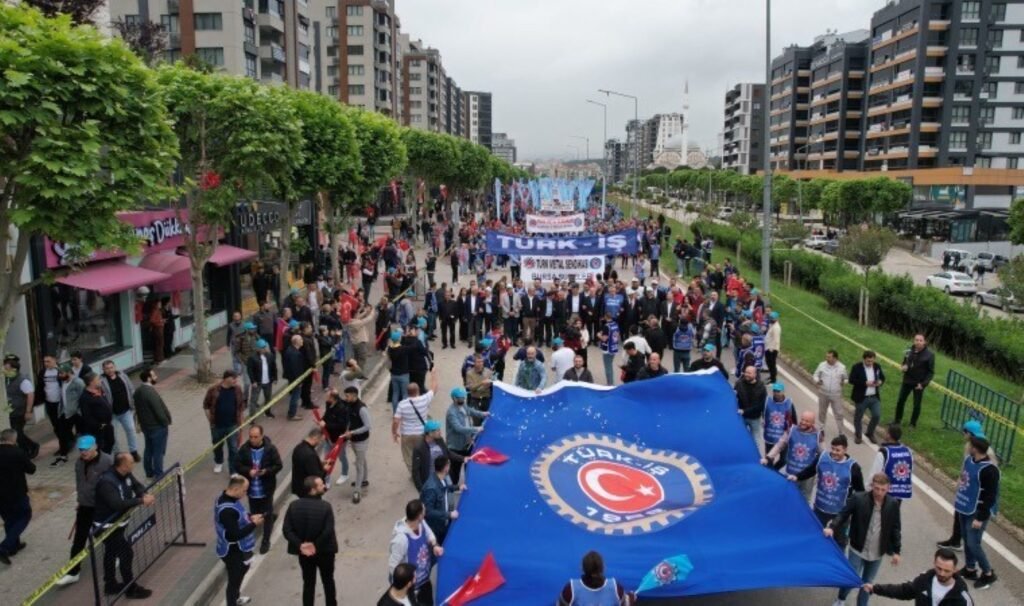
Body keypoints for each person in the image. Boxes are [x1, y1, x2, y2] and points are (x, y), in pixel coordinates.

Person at [825, 473, 902, 606]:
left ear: (888, 488)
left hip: (877, 552)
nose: (879, 493)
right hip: (857, 549)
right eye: (877, 488)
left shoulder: (893, 504)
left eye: (883, 490)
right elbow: (843, 514)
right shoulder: (858, 498)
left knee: (868, 583)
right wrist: (832, 527)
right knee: (851, 578)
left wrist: (897, 551)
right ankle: (841, 599)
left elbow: (896, 528)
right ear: (872, 486)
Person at [93, 452, 155, 598]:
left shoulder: (126, 474)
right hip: (107, 527)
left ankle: (110, 585)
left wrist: (143, 494)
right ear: (123, 465)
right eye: (131, 462)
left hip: (118, 524)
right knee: (126, 553)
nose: (133, 464)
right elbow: (117, 504)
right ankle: (131, 589)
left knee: (111, 553)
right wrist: (140, 501)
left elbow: (137, 485)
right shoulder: (107, 482)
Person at [283, 476, 338, 606]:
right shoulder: (325, 507)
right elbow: (328, 531)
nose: (324, 486)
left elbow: (287, 530)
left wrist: (301, 545)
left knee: (308, 583)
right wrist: (314, 545)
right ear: (313, 490)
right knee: (328, 581)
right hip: (325, 551)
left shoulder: (294, 506)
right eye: (321, 485)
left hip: (304, 554)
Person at [954, 436, 1000, 589]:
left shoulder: (990, 470)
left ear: (975, 448)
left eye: (970, 445)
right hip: (964, 507)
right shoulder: (969, 460)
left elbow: (990, 496)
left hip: (977, 512)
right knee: (967, 539)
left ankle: (988, 574)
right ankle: (970, 569)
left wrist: (980, 517)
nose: (967, 446)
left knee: (974, 543)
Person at [794, 435, 865, 529]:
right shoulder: (822, 458)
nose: (834, 452)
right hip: (819, 509)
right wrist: (796, 477)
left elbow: (860, 492)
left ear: (845, 450)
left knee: (836, 538)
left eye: (838, 450)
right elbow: (810, 470)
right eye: (832, 449)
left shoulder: (853, 468)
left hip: (839, 515)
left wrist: (853, 510)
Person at [937, 421, 988, 552]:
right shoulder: (971, 445)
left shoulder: (977, 448)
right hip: (967, 483)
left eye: (964, 432)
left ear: (970, 433)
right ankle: (956, 539)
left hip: (974, 487)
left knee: (965, 514)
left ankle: (966, 544)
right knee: (959, 512)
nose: (963, 434)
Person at [215, 474, 263, 606]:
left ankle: (236, 598)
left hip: (239, 548)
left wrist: (250, 517)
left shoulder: (226, 498)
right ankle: (232, 602)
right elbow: (235, 535)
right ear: (235, 489)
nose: (246, 493)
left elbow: (240, 515)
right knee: (234, 581)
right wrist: (254, 524)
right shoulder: (227, 511)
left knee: (242, 571)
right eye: (244, 490)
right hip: (233, 550)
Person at [865, 548, 974, 605]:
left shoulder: (962, 598)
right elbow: (904, 591)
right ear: (934, 564)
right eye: (939, 568)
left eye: (947, 571)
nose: (942, 573)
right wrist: (875, 589)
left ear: (955, 570)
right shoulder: (924, 580)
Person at [235, 424, 282, 555]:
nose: (253, 440)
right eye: (251, 437)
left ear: (262, 436)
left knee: (266, 515)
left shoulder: (270, 449)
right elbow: (237, 465)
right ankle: (251, 541)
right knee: (255, 515)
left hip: (266, 489)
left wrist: (266, 471)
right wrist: (248, 471)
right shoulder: (244, 449)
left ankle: (266, 540)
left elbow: (278, 465)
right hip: (252, 490)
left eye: (256, 437)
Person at [388, 500, 443, 606]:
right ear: (419, 516)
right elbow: (393, 567)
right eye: (424, 510)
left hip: (424, 580)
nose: (425, 511)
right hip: (412, 588)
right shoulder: (401, 539)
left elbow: (429, 534)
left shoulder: (421, 523)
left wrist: (434, 545)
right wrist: (405, 587)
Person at [763, 411, 823, 502]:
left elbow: (822, 456)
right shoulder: (791, 430)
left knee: (805, 500)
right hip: (791, 473)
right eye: (802, 419)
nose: (803, 422)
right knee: (788, 497)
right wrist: (768, 457)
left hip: (807, 477)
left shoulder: (818, 436)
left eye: (807, 421)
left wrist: (819, 474)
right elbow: (779, 445)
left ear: (812, 423)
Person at [0, 428, 35, 566]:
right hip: (16, 493)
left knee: (9, 519)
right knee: (25, 515)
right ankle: (4, 547)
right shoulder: (17, 452)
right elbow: (31, 469)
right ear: (13, 439)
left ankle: (14, 546)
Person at [204, 370, 246, 474]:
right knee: (217, 446)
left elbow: (241, 407)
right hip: (217, 426)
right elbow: (206, 405)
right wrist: (210, 420)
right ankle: (218, 462)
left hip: (233, 425)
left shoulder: (237, 389)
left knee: (233, 448)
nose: (236, 381)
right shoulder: (213, 389)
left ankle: (233, 470)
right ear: (226, 378)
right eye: (234, 378)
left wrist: (241, 422)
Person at [133, 367, 172, 480]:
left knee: (148, 450)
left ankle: (149, 472)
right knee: (158, 452)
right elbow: (158, 410)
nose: (156, 377)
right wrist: (166, 422)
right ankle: (159, 475)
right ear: (149, 378)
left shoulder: (138, 391)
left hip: (146, 426)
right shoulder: (150, 392)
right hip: (157, 427)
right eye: (154, 375)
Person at [557, 550, 635, 606]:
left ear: (582, 568)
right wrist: (631, 598)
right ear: (603, 568)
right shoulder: (616, 588)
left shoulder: (570, 589)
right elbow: (626, 603)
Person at [393, 376, 438, 472]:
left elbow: (396, 421)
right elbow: (434, 388)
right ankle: (422, 471)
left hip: (407, 434)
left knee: (408, 455)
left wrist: (394, 433)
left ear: (407, 392)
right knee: (422, 453)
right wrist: (434, 374)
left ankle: (413, 473)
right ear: (418, 391)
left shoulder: (402, 404)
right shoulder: (424, 399)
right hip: (421, 433)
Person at [100, 360, 140, 460]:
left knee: (131, 430)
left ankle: (134, 451)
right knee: (113, 435)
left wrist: (133, 402)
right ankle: (117, 454)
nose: (110, 370)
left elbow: (131, 388)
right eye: (107, 368)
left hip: (126, 411)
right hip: (112, 414)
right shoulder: (101, 381)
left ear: (115, 367)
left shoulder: (122, 375)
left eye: (111, 367)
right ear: (103, 370)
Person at [445, 387, 486, 485]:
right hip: (456, 447)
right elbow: (459, 428)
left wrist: (484, 414)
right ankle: (452, 488)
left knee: (469, 466)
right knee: (455, 471)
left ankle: (468, 485)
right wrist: (476, 429)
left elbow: (471, 411)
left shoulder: (463, 405)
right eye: (460, 398)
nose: (463, 399)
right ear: (454, 398)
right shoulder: (451, 413)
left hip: (467, 444)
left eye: (463, 397)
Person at [894, 334, 935, 428]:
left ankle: (912, 424)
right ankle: (897, 420)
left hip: (919, 384)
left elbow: (931, 372)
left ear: (924, 342)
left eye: (920, 340)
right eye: (916, 340)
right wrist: (904, 366)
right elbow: (904, 363)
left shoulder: (930, 355)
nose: (918, 342)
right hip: (907, 380)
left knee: (916, 405)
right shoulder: (909, 351)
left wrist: (923, 384)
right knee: (900, 400)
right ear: (914, 341)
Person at [37, 355, 73, 465]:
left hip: (60, 403)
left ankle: (64, 448)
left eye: (48, 361)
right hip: (49, 403)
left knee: (62, 426)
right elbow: (40, 387)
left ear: (55, 360)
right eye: (44, 361)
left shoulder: (61, 371)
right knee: (56, 427)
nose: (46, 363)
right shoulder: (43, 373)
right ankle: (67, 441)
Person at [420, 455, 461, 545]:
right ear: (445, 468)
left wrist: (458, 487)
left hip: (442, 522)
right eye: (449, 465)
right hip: (436, 528)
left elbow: (445, 488)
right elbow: (428, 512)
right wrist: (449, 514)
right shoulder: (431, 488)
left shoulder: (440, 478)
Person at [4, 355, 39, 458]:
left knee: (17, 433)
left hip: (20, 412)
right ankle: (25, 450)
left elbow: (30, 395)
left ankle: (32, 446)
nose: (4, 371)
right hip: (10, 412)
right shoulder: (6, 379)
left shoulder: (23, 381)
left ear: (14, 370)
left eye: (7, 369)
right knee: (16, 433)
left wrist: (28, 411)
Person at [412, 420, 463, 490]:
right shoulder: (419, 448)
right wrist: (421, 489)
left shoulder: (439, 439)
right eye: (438, 430)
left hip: (445, 475)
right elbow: (415, 471)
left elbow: (448, 453)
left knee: (449, 494)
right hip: (432, 480)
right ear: (430, 433)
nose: (440, 432)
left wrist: (463, 458)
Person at [870, 423, 913, 503]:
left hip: (884, 494)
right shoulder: (908, 451)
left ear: (889, 435)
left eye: (886, 432)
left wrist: (867, 490)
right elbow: (910, 471)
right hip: (900, 494)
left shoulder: (884, 452)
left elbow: (874, 474)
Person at [850, 350, 885, 445]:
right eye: (868, 361)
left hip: (874, 397)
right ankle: (858, 435)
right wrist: (865, 383)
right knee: (858, 417)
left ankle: (870, 433)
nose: (870, 363)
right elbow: (851, 380)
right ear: (864, 359)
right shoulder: (857, 367)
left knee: (876, 415)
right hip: (861, 397)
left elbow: (882, 377)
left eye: (872, 361)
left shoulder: (877, 366)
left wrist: (880, 382)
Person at [813, 350, 848, 438]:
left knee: (839, 413)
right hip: (823, 393)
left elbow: (846, 378)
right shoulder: (822, 365)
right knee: (822, 412)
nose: (827, 358)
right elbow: (815, 375)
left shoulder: (842, 367)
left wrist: (844, 382)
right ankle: (821, 429)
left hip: (836, 394)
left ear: (835, 358)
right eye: (827, 356)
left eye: (829, 357)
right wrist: (817, 381)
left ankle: (841, 432)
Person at [79, 371, 114, 454]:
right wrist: (100, 426)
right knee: (102, 449)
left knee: (110, 443)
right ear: (91, 382)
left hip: (108, 426)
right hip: (98, 430)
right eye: (98, 379)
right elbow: (87, 416)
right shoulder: (85, 397)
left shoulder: (99, 391)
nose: (100, 381)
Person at [735, 365, 767, 450]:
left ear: (755, 374)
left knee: (755, 441)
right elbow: (734, 397)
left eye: (749, 373)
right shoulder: (739, 384)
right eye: (746, 372)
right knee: (739, 439)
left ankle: (755, 456)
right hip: (741, 417)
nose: (746, 374)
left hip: (755, 418)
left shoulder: (761, 387)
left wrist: (745, 411)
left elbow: (761, 405)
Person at [246, 339, 278, 418]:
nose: (265, 349)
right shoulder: (252, 358)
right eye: (263, 347)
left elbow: (274, 367)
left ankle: (267, 412)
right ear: (258, 349)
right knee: (254, 400)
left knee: (268, 398)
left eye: (265, 347)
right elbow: (250, 370)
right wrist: (253, 381)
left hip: (268, 382)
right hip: (258, 382)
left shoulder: (270, 356)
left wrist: (275, 378)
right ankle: (252, 417)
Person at [291, 428, 327, 498]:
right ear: (315, 438)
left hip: (299, 486)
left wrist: (318, 463)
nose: (320, 443)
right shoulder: (310, 455)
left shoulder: (298, 448)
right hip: (310, 490)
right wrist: (325, 469)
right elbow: (316, 475)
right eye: (320, 440)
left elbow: (303, 465)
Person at [283, 334, 310, 421]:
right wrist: (299, 381)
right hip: (295, 379)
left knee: (294, 395)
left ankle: (292, 412)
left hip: (291, 378)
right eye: (301, 340)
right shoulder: (295, 353)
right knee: (295, 396)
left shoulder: (290, 350)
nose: (302, 341)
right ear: (296, 342)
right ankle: (292, 414)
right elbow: (296, 368)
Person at [764, 311, 781, 384]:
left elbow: (776, 340)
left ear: (776, 319)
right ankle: (772, 376)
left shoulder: (776, 328)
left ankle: (773, 379)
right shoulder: (772, 325)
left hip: (772, 349)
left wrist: (771, 350)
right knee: (769, 363)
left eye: (772, 318)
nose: (771, 319)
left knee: (771, 364)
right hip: (769, 347)